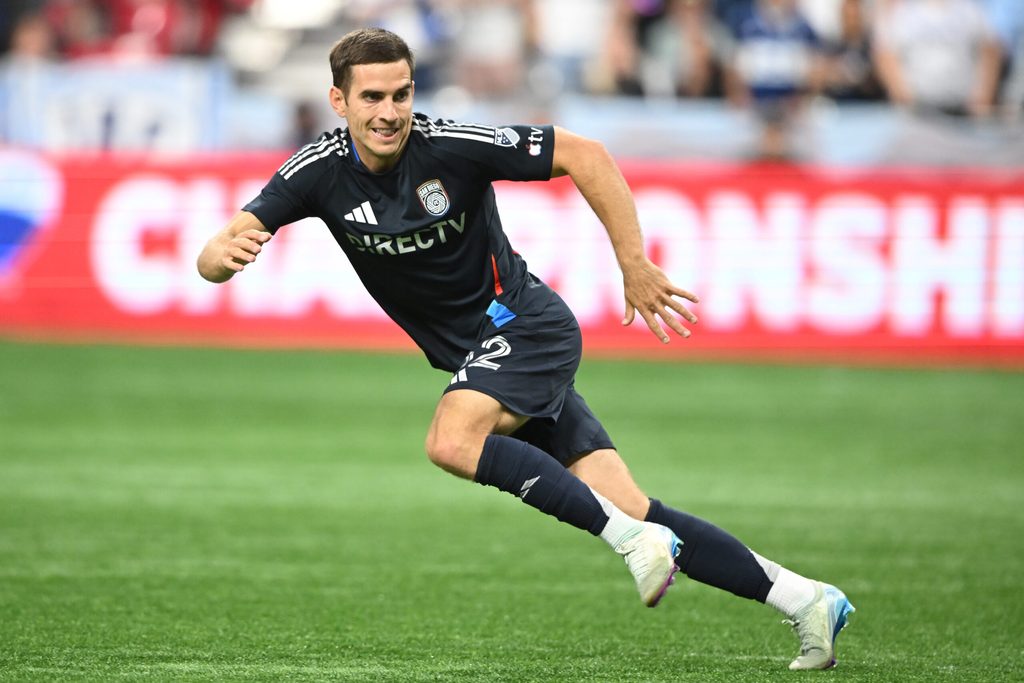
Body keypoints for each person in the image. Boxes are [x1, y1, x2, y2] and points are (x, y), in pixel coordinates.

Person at [196, 27, 854, 670]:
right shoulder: (316, 172)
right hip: (486, 351)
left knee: (451, 439)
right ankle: (806, 598)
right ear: (340, 102)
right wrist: (219, 260)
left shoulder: (452, 145)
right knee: (628, 500)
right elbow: (222, 247)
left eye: (401, 94)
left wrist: (634, 263)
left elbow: (587, 154)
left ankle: (634, 542)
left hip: (524, 324)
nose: (390, 112)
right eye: (372, 98)